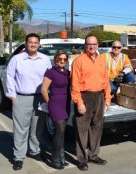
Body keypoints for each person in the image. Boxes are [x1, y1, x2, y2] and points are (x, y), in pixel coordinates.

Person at [6, 33, 52, 171]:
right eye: (30, 42)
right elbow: (9, 77)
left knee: (37, 127)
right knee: (21, 129)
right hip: (22, 98)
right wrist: (13, 97)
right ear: (26, 44)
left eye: (35, 42)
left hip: (40, 98)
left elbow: (50, 78)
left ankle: (35, 151)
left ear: (39, 44)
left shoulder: (45, 59)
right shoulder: (17, 59)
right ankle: (18, 157)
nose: (33, 44)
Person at [71, 34, 112, 171]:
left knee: (97, 127)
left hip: (99, 96)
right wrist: (79, 102)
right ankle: (82, 159)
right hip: (85, 96)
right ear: (85, 45)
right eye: (89, 44)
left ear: (97, 45)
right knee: (82, 130)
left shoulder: (101, 60)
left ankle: (93, 155)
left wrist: (107, 98)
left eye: (94, 44)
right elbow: (75, 84)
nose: (92, 46)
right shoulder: (79, 61)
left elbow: (105, 80)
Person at [41, 50, 70, 169]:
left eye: (64, 59)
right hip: (55, 104)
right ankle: (54, 158)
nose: (62, 61)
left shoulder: (68, 72)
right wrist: (50, 103)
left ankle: (61, 156)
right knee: (59, 131)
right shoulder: (50, 72)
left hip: (66, 104)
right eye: (59, 59)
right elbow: (43, 90)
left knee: (62, 132)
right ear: (55, 59)